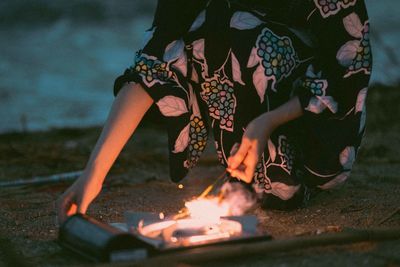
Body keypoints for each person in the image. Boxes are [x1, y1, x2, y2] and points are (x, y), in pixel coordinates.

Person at [57, 0, 372, 224]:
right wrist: (93, 175)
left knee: (240, 26)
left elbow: (348, 62)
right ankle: (256, 166)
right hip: (252, 114)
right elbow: (153, 65)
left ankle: (287, 165)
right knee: (205, 28)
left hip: (321, 127)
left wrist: (267, 122)